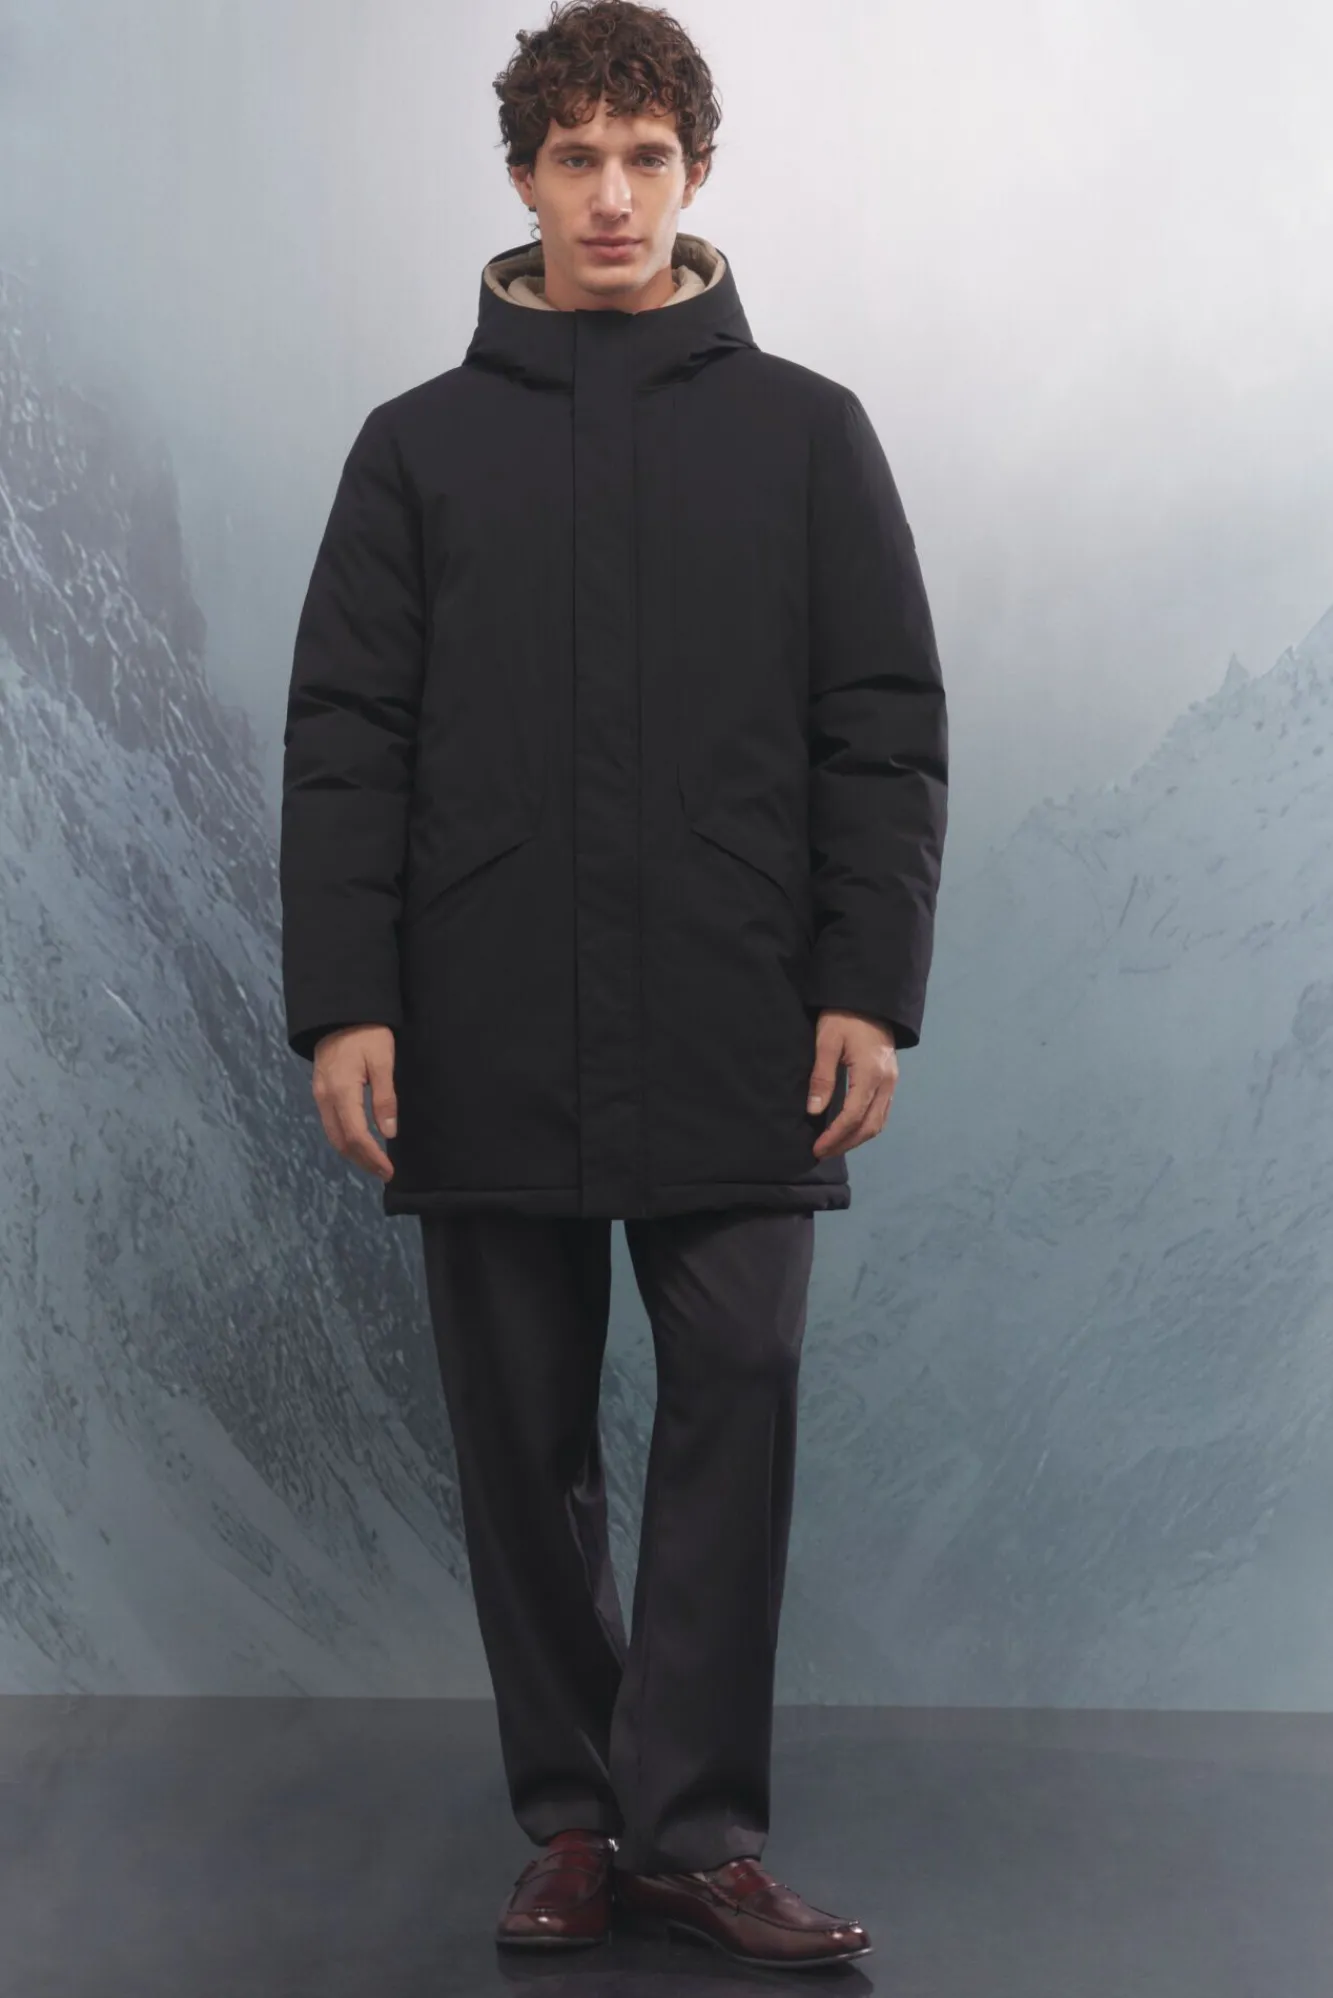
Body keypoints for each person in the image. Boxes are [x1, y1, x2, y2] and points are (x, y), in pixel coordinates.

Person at [279, 0, 947, 1969]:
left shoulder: (809, 434)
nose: (612, 197)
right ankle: (573, 1824)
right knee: (521, 1435)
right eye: (575, 158)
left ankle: (696, 1830)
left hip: (745, 1012)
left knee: (740, 1389)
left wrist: (868, 984)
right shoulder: (415, 451)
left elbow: (882, 727)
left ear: (697, 172)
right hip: (481, 1017)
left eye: (646, 157)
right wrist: (347, 1001)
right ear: (521, 178)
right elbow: (346, 739)